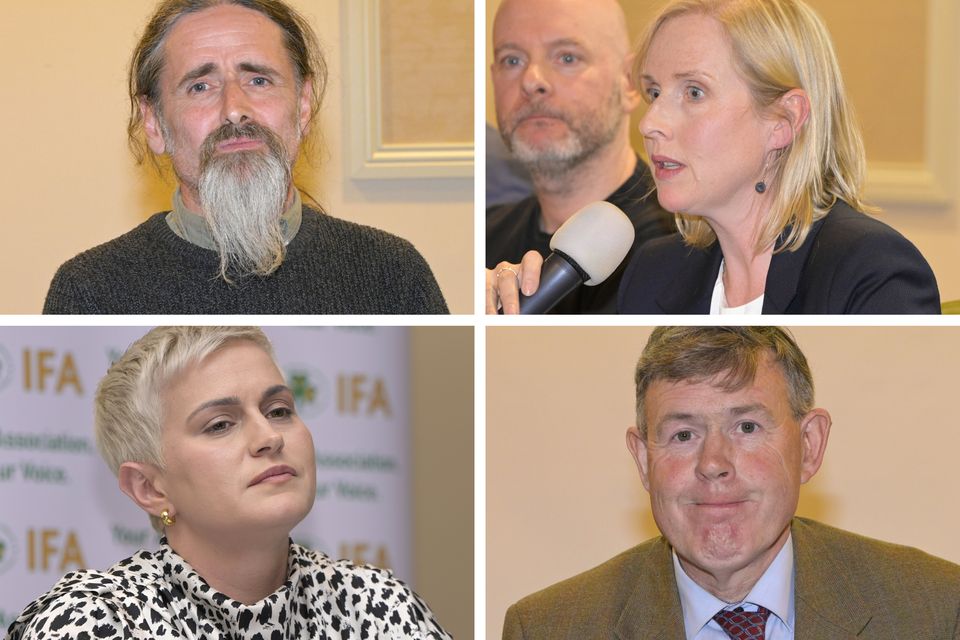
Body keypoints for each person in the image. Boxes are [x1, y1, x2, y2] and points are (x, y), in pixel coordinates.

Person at [502, 327, 960, 638]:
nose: (714, 464)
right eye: (684, 434)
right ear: (643, 460)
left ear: (810, 445)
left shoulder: (932, 608)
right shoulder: (548, 627)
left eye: (746, 428)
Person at [6, 326, 452, 639]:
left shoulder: (376, 604)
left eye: (278, 410)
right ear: (150, 488)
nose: (269, 437)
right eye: (220, 424)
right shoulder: (94, 620)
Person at [43, 0, 448, 314]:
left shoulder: (392, 273)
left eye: (258, 80)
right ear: (153, 123)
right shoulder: (89, 292)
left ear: (303, 106)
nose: (234, 109)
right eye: (201, 86)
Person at [616, 0, 939, 314]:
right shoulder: (651, 273)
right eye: (654, 93)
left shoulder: (871, 271)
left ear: (783, 121)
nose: (649, 123)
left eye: (694, 92)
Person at [485, 0, 675, 314]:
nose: (532, 81)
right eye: (512, 60)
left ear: (629, 82)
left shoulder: (684, 249)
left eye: (567, 57)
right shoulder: (485, 239)